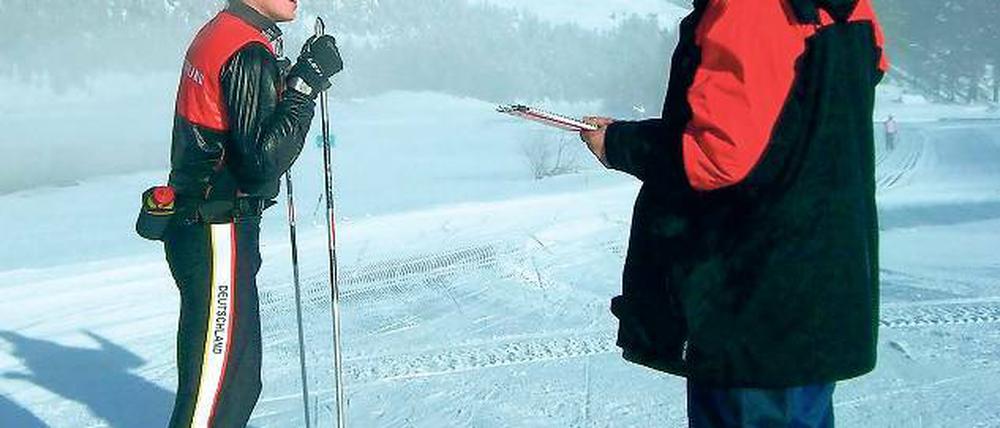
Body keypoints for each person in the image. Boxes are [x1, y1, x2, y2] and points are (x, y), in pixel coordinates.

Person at [579, 0, 887, 426]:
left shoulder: (748, 10)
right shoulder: (852, 8)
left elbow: (716, 155)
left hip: (750, 295)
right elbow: (823, 95)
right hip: (814, 286)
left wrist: (619, 145)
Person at [162, 0, 343, 426]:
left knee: (237, 384)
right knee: (215, 393)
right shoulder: (245, 51)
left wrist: (285, 82)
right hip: (216, 230)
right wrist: (303, 88)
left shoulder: (223, 32)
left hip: (205, 223)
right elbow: (261, 161)